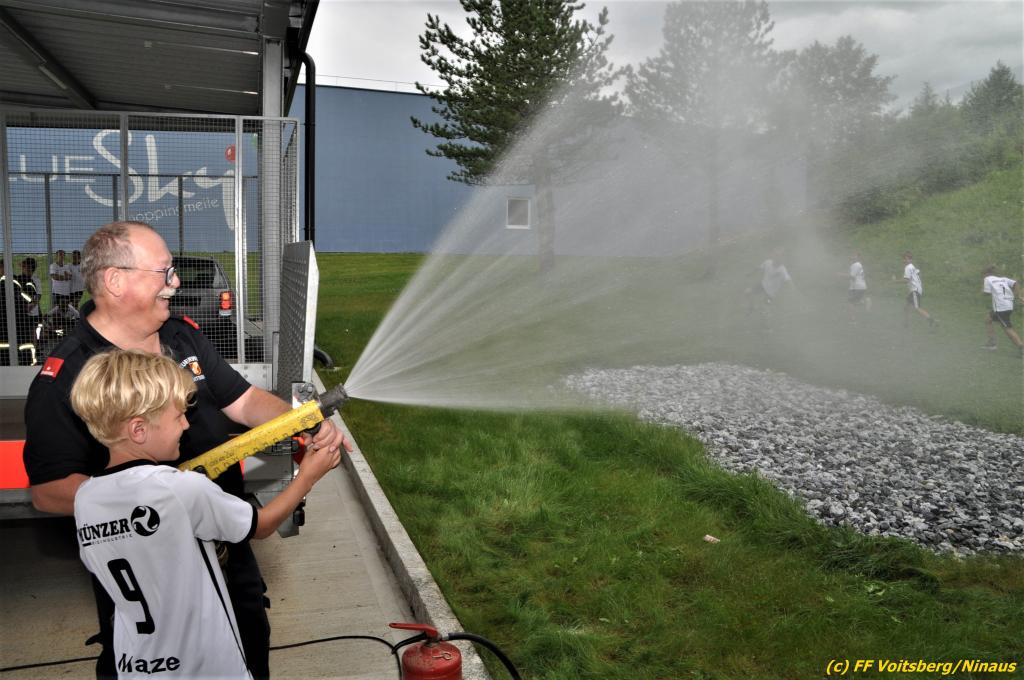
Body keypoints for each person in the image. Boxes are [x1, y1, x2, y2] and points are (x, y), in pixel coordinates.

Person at [23, 221, 349, 679]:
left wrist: (306, 423)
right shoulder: (67, 375)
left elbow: (244, 401)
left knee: (246, 643)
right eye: (164, 272)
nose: (175, 283)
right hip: (153, 568)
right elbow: (48, 491)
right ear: (115, 281)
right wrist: (159, 499)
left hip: (226, 537)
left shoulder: (182, 336)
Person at [70, 350, 341, 679]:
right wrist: (308, 476)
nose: (186, 425)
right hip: (204, 665)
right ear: (138, 429)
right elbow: (261, 525)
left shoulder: (85, 498)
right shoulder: (180, 489)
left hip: (136, 666)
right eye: (178, 417)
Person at [981, 266, 1024, 355]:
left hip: (1001, 307)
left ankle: (1021, 347)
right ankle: (992, 343)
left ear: (986, 274)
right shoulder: (1003, 279)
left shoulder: (987, 279)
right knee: (988, 319)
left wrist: (982, 291)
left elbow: (986, 293)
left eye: (983, 275)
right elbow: (1015, 283)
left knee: (1007, 328)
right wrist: (1018, 295)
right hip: (1008, 305)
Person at [746, 247, 792, 317]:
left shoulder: (782, 269)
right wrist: (750, 273)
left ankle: (767, 317)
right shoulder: (767, 262)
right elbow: (759, 267)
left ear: (782, 259)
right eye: (776, 255)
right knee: (748, 292)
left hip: (770, 293)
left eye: (780, 256)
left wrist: (791, 287)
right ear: (773, 256)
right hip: (763, 285)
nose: (778, 258)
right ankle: (751, 308)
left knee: (765, 307)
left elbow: (787, 279)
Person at [896, 251, 935, 329]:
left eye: (906, 259)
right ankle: (906, 324)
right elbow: (918, 273)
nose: (904, 260)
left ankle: (931, 320)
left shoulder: (908, 267)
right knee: (906, 307)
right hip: (915, 290)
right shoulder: (913, 267)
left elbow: (906, 280)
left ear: (910, 260)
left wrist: (895, 281)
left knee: (917, 308)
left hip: (915, 290)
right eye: (904, 259)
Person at [845, 251, 871, 321]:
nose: (852, 256)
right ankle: (865, 301)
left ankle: (853, 320)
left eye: (855, 255)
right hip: (858, 286)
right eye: (852, 255)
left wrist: (841, 275)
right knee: (855, 302)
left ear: (858, 257)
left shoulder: (856, 265)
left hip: (857, 287)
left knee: (851, 303)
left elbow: (852, 276)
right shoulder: (857, 265)